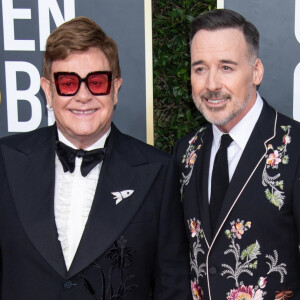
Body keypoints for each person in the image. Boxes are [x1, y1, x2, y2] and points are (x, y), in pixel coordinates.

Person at [0, 17, 191, 299]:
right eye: (67, 83)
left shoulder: (159, 172)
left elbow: (172, 287)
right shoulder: (5, 162)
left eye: (97, 82)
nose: (83, 96)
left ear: (115, 89)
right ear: (47, 91)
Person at [173, 9, 300, 300]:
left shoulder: (295, 147)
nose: (212, 84)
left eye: (226, 67)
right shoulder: (186, 151)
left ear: (256, 71)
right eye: (200, 68)